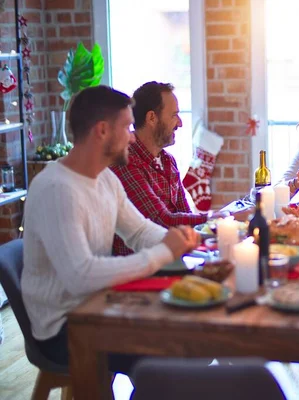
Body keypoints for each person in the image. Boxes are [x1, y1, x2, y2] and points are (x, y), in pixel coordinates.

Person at [21, 86, 197, 372]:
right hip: (66, 326)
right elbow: (81, 275)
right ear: (102, 131)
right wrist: (163, 253)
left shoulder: (104, 179)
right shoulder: (57, 189)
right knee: (172, 352)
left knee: (186, 335)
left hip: (100, 304)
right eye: (127, 127)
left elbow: (139, 232)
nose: (132, 135)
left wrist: (176, 238)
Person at [110, 82, 247, 256]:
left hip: (173, 255)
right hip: (142, 267)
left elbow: (185, 216)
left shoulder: (168, 160)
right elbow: (160, 220)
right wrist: (223, 217)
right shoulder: (127, 161)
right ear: (152, 118)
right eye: (174, 115)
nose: (180, 123)